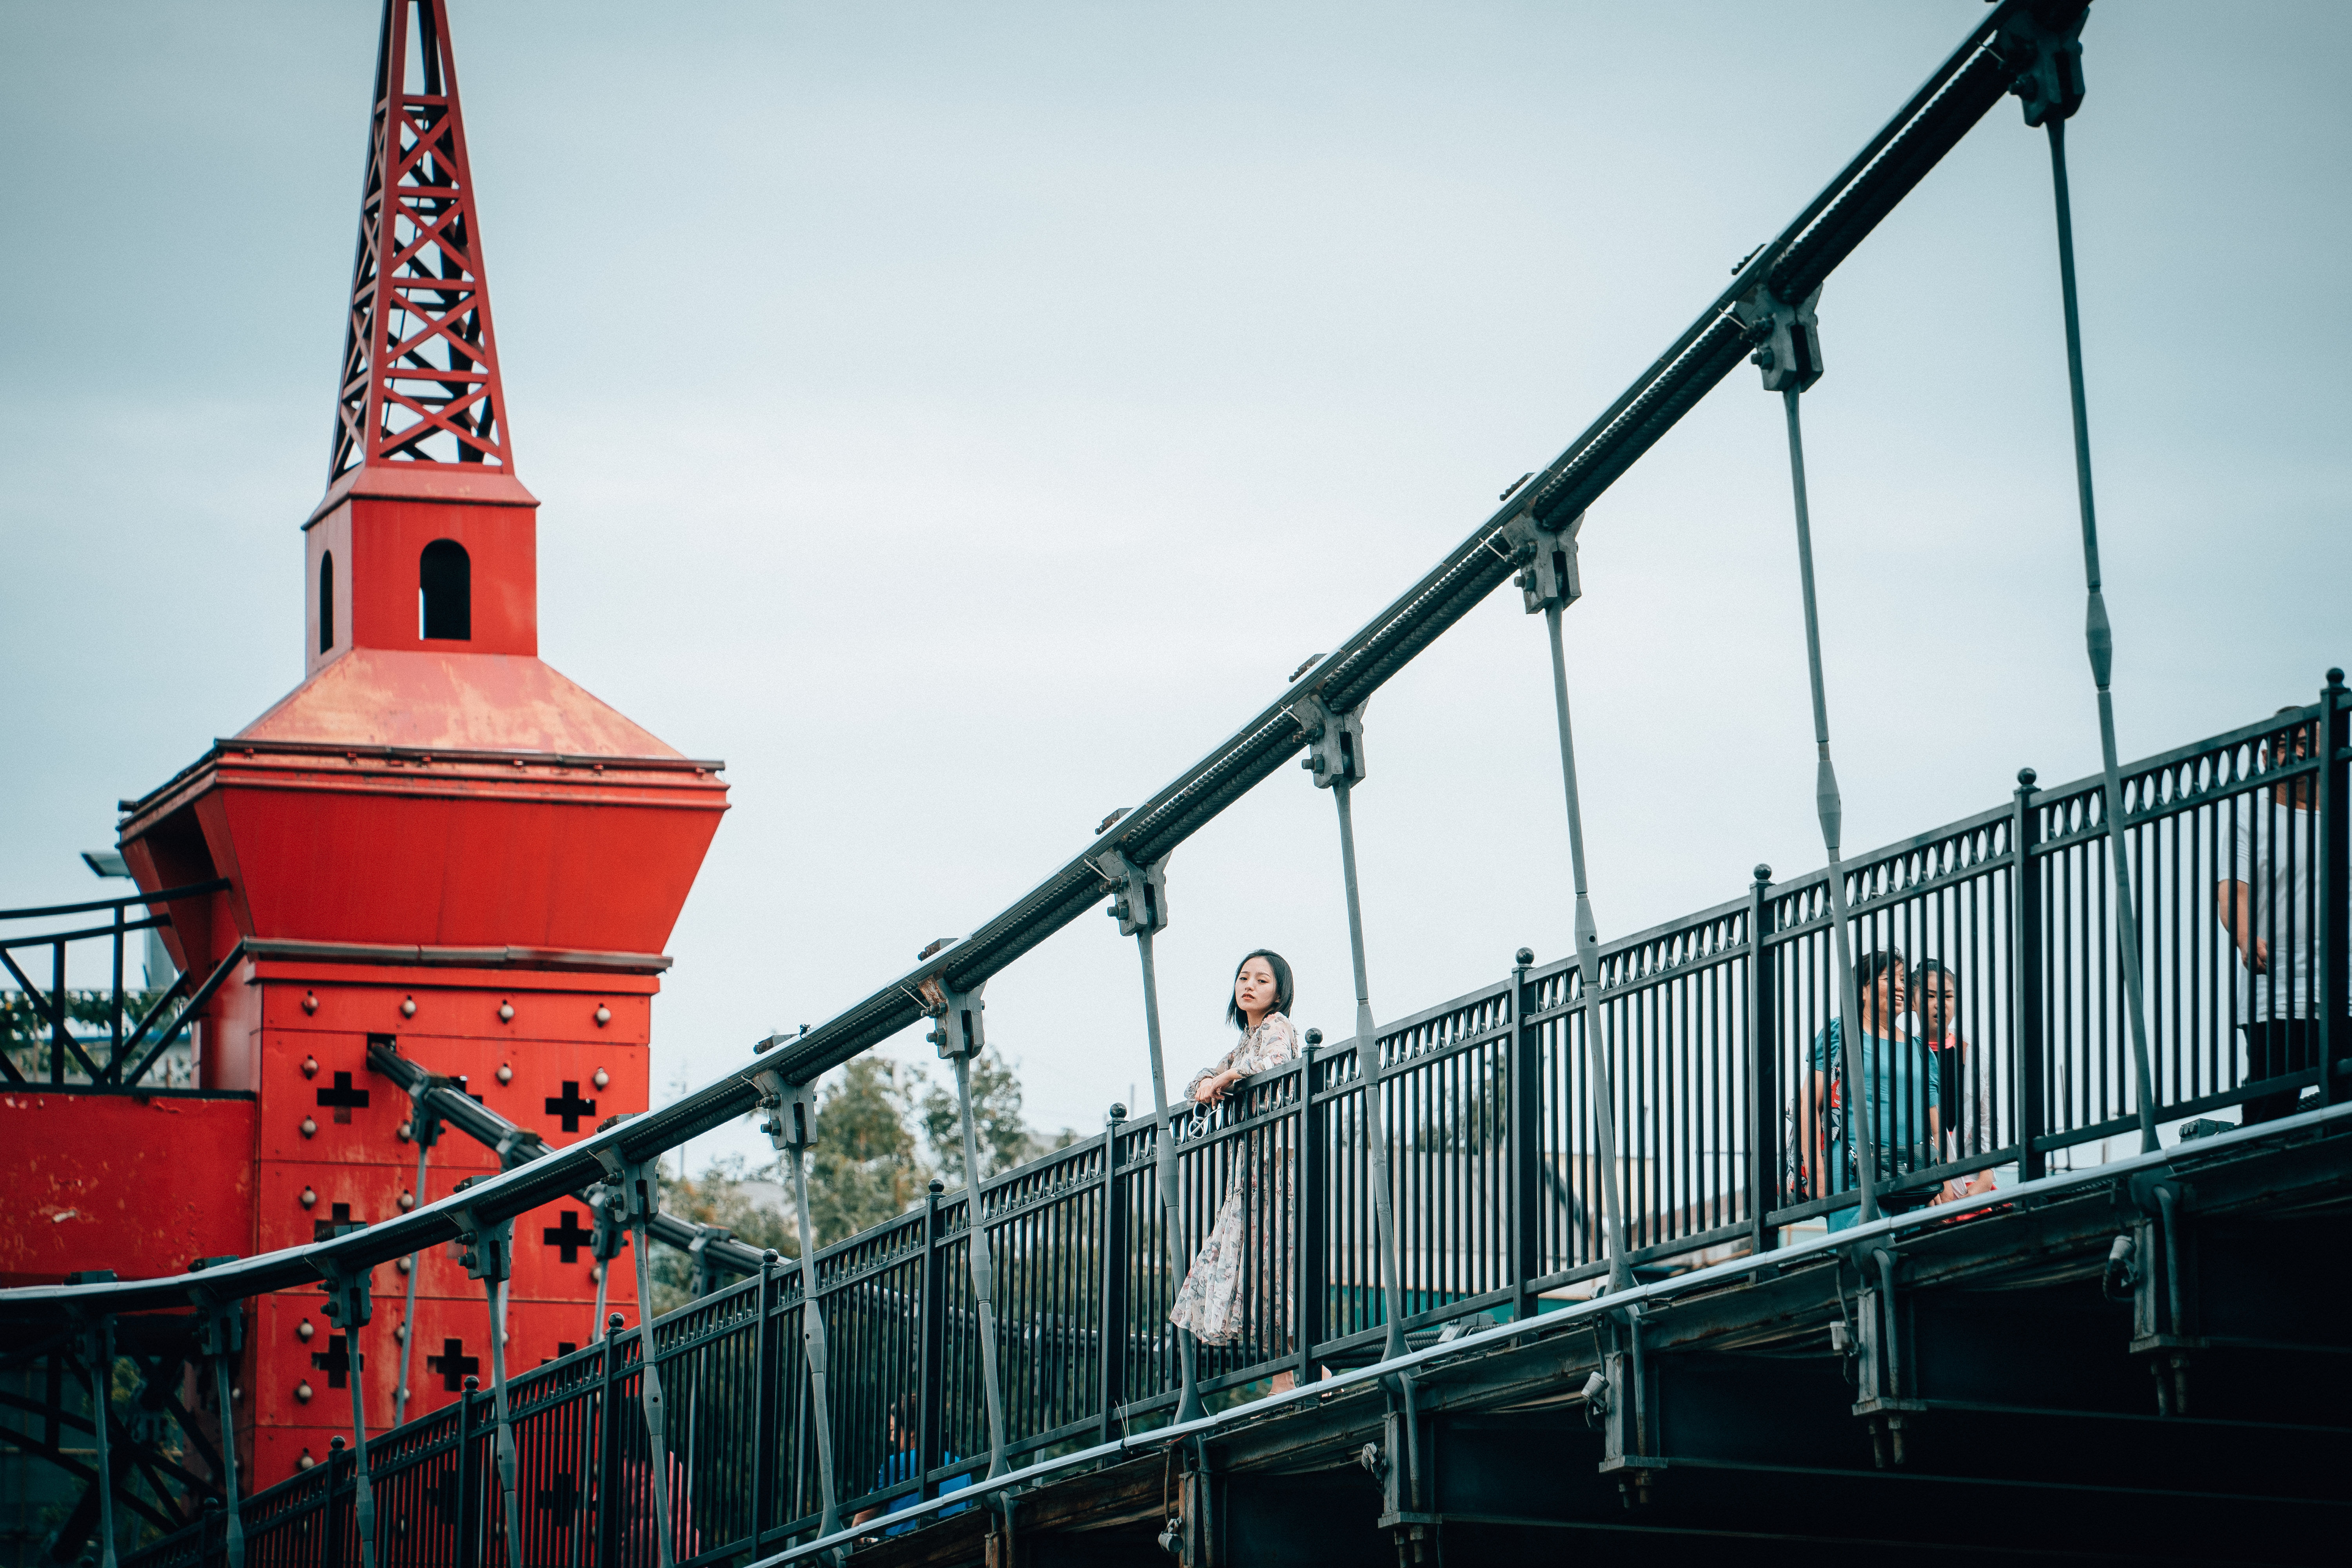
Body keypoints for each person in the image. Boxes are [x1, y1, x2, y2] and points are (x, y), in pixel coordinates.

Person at [1168, 950, 1303, 1393]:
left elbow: (1276, 1064)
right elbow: (1198, 1082)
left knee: (1270, 1267)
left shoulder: (1276, 1028)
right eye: (1243, 978)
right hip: (1251, 1173)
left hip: (1274, 1171)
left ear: (1278, 992)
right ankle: (1297, 1375)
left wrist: (1225, 1079)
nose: (1249, 985)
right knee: (1259, 1269)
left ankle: (1289, 1376)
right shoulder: (1246, 1040)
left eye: (1261, 980)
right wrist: (1213, 1081)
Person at [2215, 710, 2343, 1123]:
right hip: (2279, 991)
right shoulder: (2251, 816)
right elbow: (2233, 890)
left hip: (2345, 988)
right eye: (2286, 746)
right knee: (2270, 1111)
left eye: (2307, 743)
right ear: (2269, 755)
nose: (2297, 754)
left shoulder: (2345, 818)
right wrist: (2245, 937)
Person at [1809, 948, 1939, 1231]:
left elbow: (1936, 1129)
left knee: (1909, 1262)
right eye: (1889, 978)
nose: (1901, 986)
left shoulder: (1920, 1051)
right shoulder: (1840, 1034)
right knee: (1864, 1258)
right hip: (1854, 1172)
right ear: (1863, 991)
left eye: (1904, 979)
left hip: (1911, 1175)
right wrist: (1818, 1171)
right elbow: (1808, 1106)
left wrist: (1938, 1178)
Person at [1913, 959, 1997, 1205]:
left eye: (1948, 997)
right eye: (1930, 996)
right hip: (1923, 1179)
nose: (1940, 1005)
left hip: (1970, 1178)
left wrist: (1986, 1176)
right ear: (1913, 1002)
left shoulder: (1974, 1055)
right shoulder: (1904, 1055)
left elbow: (1987, 1125)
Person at [850, 1394, 972, 1537]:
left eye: (892, 1430)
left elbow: (858, 1524)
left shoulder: (896, 1464)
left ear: (912, 1432)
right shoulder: (961, 1466)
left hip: (906, 1550)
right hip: (953, 1548)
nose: (891, 1438)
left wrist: (866, 1540)